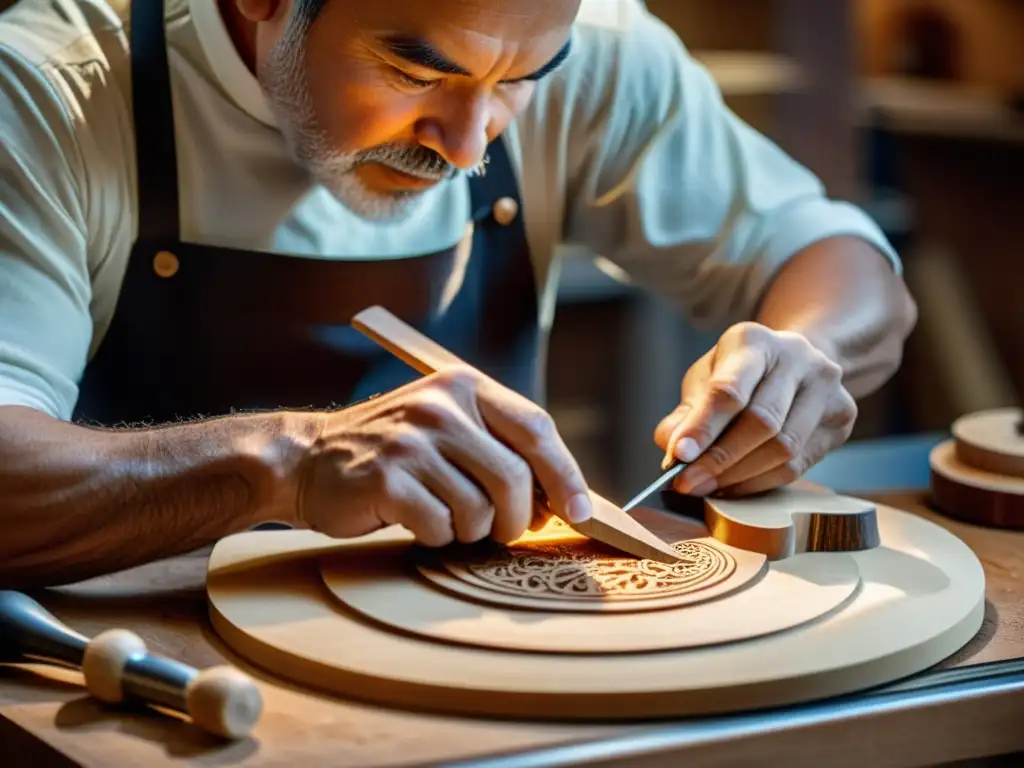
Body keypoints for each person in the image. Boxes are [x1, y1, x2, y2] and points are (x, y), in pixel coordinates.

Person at [0, 0, 916, 588]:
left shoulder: (594, 51)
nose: (471, 145)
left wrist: (805, 359)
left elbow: (837, 258)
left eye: (518, 84)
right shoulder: (47, 93)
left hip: (478, 658)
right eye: (416, 73)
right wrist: (280, 462)